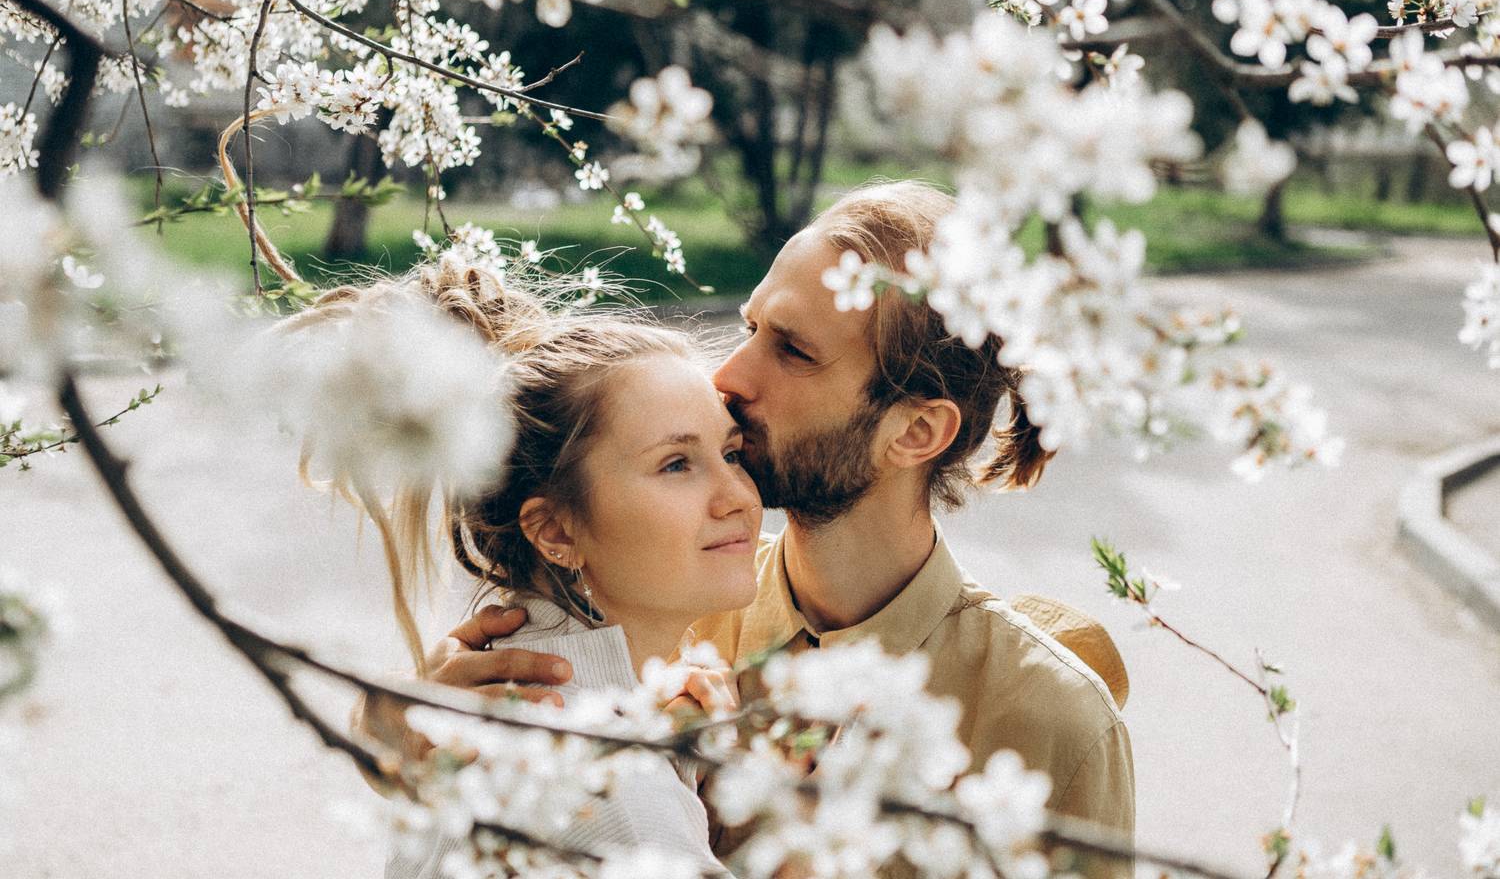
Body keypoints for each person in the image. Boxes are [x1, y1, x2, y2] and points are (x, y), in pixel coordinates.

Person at [362, 181, 1135, 875]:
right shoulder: (660, 605)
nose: (729, 375)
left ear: (915, 432)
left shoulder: (1049, 719)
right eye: (751, 326)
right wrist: (392, 733)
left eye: (792, 350)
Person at [299, 257, 759, 877]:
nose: (738, 496)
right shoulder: (611, 788)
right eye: (676, 464)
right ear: (554, 531)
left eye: (731, 453)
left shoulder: (499, 725)